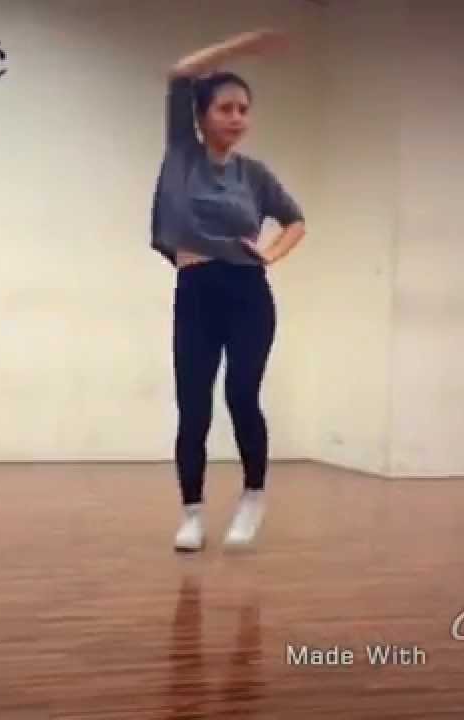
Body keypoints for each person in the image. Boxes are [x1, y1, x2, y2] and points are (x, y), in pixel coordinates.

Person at [151, 30, 307, 551]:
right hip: (196, 291)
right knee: (193, 406)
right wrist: (243, 47)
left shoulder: (254, 175)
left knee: (241, 395)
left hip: (247, 293)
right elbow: (180, 72)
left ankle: (253, 497)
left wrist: (272, 254)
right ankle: (192, 515)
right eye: (225, 108)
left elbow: (295, 221)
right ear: (200, 117)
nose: (237, 117)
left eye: (244, 109)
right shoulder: (182, 154)